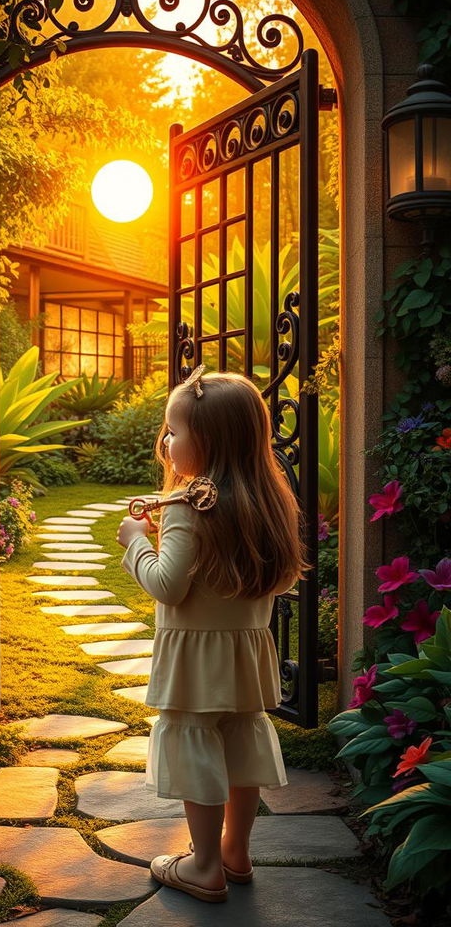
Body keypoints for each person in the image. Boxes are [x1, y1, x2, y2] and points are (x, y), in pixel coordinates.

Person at [116, 364, 312, 904]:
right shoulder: (268, 501)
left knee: (196, 747)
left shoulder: (187, 506)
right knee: (240, 744)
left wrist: (135, 540)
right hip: (245, 653)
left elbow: (167, 586)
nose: (166, 441)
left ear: (207, 441)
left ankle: (203, 866)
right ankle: (235, 853)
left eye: (174, 431)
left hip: (192, 659)